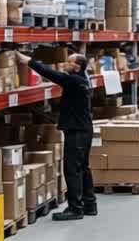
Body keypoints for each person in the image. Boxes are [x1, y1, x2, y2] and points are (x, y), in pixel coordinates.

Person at [15, 50, 96, 220]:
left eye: (69, 61)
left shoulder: (74, 80)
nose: (65, 63)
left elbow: (51, 74)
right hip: (83, 130)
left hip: (77, 133)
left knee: (72, 169)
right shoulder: (82, 79)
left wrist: (29, 61)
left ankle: (75, 209)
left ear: (76, 66)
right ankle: (90, 205)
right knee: (83, 168)